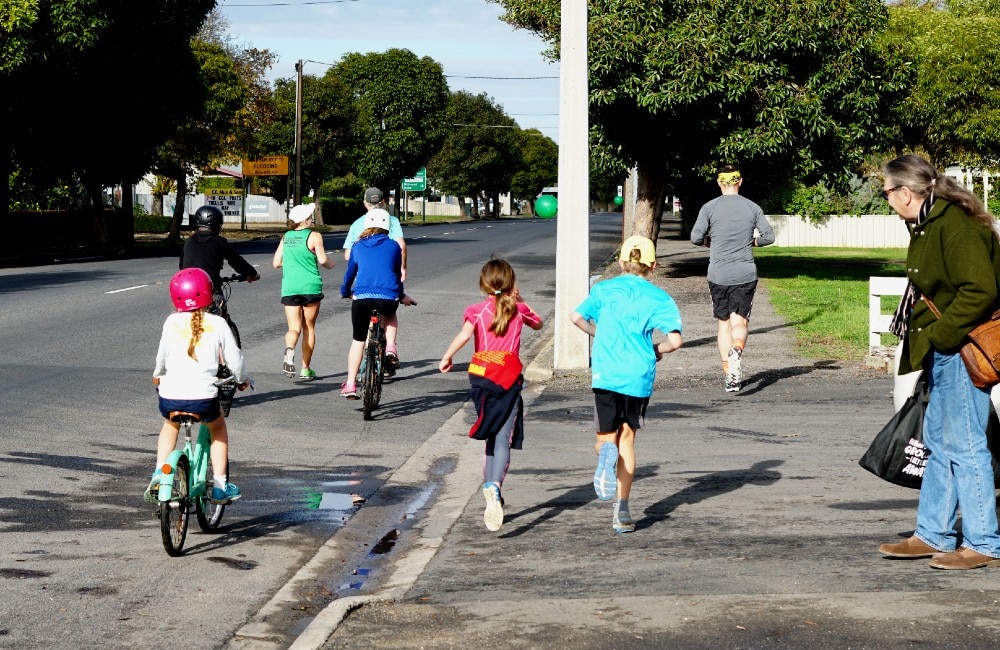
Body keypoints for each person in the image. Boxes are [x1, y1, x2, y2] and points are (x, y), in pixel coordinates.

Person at [877, 154, 1000, 570]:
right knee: (940, 441)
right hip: (944, 348)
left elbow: (980, 290)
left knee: (965, 444)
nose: (886, 200)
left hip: (962, 348)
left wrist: (942, 336)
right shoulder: (931, 221)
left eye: (887, 192)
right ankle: (934, 533)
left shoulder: (953, 224)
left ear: (904, 192)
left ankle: (984, 543)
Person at [570, 235, 683, 533]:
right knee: (628, 439)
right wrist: (655, 349)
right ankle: (622, 511)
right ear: (653, 266)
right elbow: (675, 341)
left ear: (621, 262)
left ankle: (605, 453)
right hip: (638, 374)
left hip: (607, 372)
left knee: (605, 439)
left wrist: (600, 334)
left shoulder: (603, 289)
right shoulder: (659, 298)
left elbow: (576, 317)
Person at [439, 257, 543, 531]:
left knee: (490, 432)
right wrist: (521, 299)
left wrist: (447, 356)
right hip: (508, 378)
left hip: (481, 378)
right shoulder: (519, 310)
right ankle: (494, 486)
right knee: (503, 439)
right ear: (511, 283)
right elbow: (539, 323)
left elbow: (464, 336)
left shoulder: (475, 310)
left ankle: (490, 487)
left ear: (483, 284)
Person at [145, 268, 249, 505]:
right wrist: (242, 379)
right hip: (203, 399)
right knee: (218, 428)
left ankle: (159, 475)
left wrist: (157, 374)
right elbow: (234, 359)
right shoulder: (218, 323)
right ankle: (221, 486)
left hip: (170, 396)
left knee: (170, 425)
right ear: (209, 294)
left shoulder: (171, 321)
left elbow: (162, 356)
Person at [690, 165, 774, 392]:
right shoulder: (752, 207)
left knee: (723, 323)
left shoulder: (709, 207)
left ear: (719, 182)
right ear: (740, 181)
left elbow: (695, 237)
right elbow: (769, 236)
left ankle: (729, 374)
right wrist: (753, 242)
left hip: (718, 274)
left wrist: (709, 241)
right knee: (740, 322)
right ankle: (737, 349)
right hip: (745, 273)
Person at [340, 208, 416, 398]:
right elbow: (396, 274)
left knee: (358, 340)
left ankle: (350, 384)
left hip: (362, 298)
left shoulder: (357, 246)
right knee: (390, 315)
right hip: (388, 297)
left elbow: (350, 273)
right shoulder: (394, 246)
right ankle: (390, 347)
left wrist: (346, 291)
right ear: (387, 226)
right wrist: (401, 295)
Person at [344, 187, 408, 366]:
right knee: (390, 312)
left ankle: (366, 361)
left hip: (363, 281)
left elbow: (348, 255)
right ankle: (390, 347)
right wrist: (403, 267)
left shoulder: (358, 224)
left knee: (362, 329)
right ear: (383, 202)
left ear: (365, 204)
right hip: (387, 279)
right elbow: (401, 246)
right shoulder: (391, 221)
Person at [272, 203, 335, 380]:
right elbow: (322, 259)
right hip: (310, 287)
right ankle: (305, 369)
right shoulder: (315, 236)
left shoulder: (286, 237)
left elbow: (276, 263)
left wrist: (291, 262)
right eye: (310, 217)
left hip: (290, 288)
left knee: (293, 328)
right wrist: (331, 264)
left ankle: (289, 349)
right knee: (308, 327)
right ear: (305, 220)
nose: (312, 219)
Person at [180, 205, 261, 293]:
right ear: (218, 225)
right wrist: (252, 274)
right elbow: (236, 261)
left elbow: (182, 266)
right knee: (217, 298)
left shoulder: (189, 241)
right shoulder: (219, 242)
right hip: (209, 288)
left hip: (186, 288)